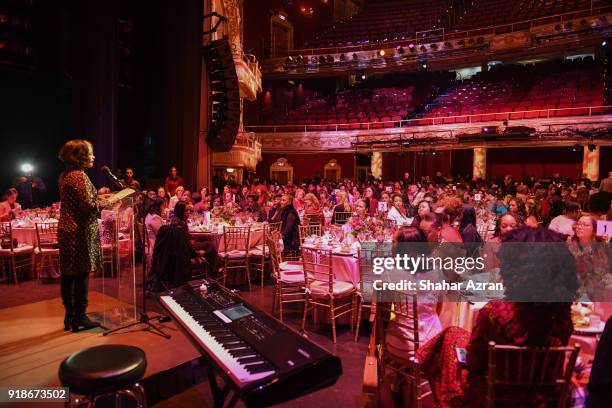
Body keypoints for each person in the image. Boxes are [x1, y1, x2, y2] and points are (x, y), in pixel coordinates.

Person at [417, 227, 578, 407]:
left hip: (495, 396)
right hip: (544, 398)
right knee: (452, 334)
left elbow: (474, 363)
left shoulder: (496, 312)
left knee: (449, 340)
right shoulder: (563, 315)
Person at [57, 139, 115, 332]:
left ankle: (70, 316)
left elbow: (81, 200)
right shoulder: (79, 177)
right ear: (80, 157)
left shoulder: (65, 175)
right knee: (81, 273)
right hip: (79, 231)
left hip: (67, 229)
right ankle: (80, 317)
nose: (94, 156)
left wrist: (99, 198)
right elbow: (88, 206)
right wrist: (108, 202)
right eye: (90, 153)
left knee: (69, 273)